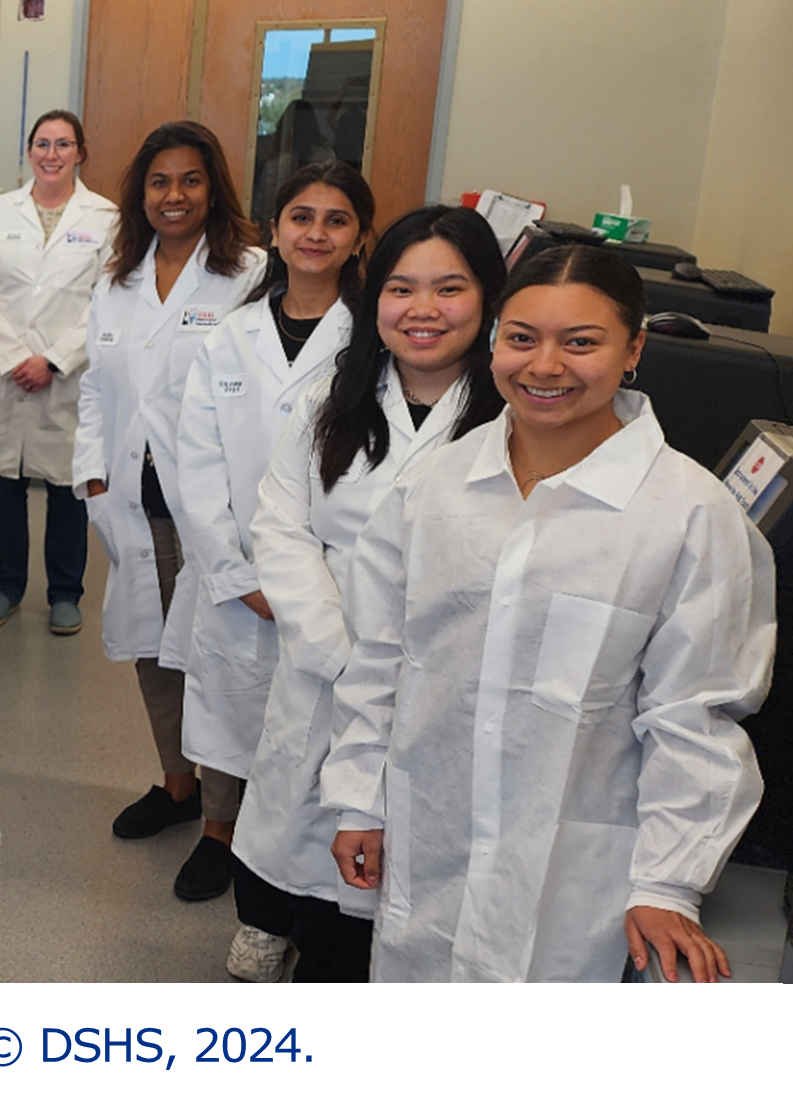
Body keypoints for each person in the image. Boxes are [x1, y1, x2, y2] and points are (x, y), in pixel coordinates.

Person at [325, 245, 772, 983]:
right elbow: (381, 656)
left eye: (581, 342)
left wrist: (667, 882)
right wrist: (357, 803)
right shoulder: (435, 487)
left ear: (633, 349)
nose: (544, 365)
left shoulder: (688, 514)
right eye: (521, 337)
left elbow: (694, 715)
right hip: (427, 835)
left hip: (573, 876)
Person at [224, 205, 509, 986]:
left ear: (488, 299)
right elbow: (279, 524)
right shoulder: (332, 402)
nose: (421, 311)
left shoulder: (513, 419)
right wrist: (341, 655)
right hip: (327, 664)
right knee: (312, 873)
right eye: (399, 289)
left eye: (448, 289)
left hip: (443, 686)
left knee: (403, 904)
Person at [169, 160, 374, 945]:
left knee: (315, 756)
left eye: (334, 220)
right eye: (300, 217)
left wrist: (296, 584)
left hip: (334, 588)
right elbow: (197, 468)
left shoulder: (373, 340)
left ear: (358, 236)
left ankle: (299, 906)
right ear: (274, 228)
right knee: (240, 733)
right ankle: (246, 883)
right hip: (240, 583)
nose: (315, 233)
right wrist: (235, 572)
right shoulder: (230, 338)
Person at [72, 120, 264, 901]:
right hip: (132, 498)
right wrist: (89, 476)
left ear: (212, 187)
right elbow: (94, 385)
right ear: (139, 192)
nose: (173, 196)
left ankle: (222, 823)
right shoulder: (117, 273)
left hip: (211, 505)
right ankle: (177, 785)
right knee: (154, 652)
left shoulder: (247, 272)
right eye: (158, 182)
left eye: (189, 180)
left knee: (212, 658)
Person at [0, 109, 120, 637]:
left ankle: (65, 592)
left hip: (68, 375)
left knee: (66, 487)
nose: (51, 154)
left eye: (63, 144)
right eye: (42, 144)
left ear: (80, 152)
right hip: (5, 375)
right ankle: (6, 586)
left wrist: (52, 360)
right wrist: (14, 358)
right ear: (30, 151)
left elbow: (107, 300)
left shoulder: (105, 218)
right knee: (3, 484)